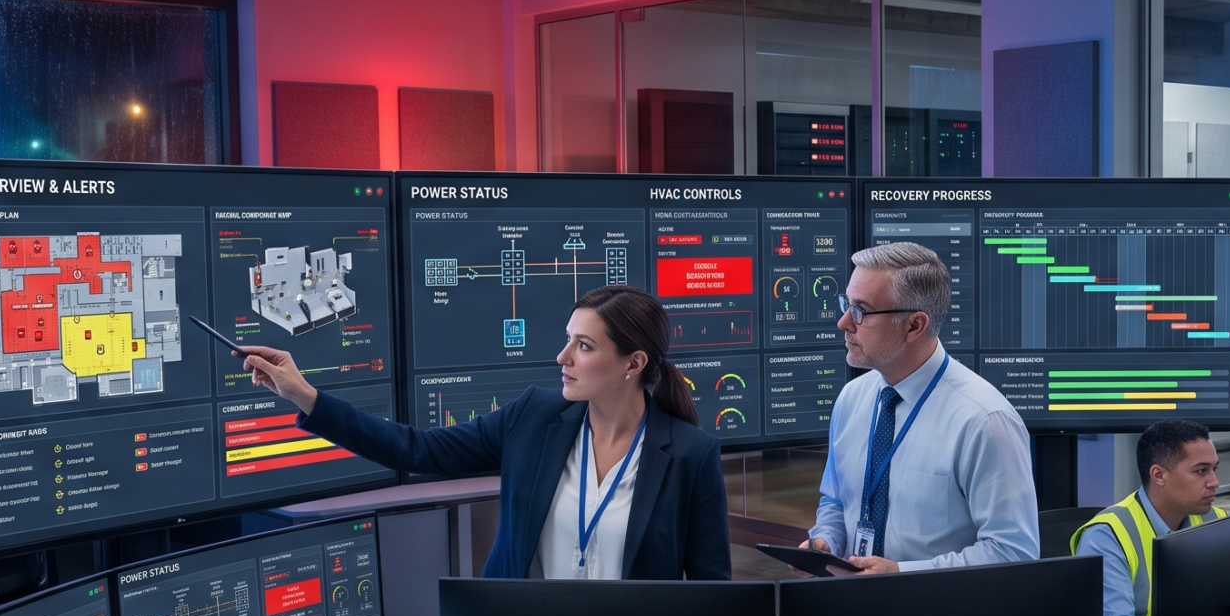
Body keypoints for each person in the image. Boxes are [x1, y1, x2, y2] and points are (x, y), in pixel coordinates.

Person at [242, 285, 730, 581]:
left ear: (633, 363)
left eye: (583, 346)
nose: (563, 358)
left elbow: (712, 593)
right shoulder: (533, 418)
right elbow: (418, 449)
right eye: (567, 340)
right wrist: (307, 397)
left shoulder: (689, 454)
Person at [802, 242, 1037, 573]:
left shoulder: (984, 421)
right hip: (853, 609)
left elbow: (1014, 553)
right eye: (846, 304)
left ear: (914, 325)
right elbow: (836, 501)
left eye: (860, 311)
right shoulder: (851, 399)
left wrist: (902, 574)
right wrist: (826, 540)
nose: (844, 322)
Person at [1071, 418, 1227, 616]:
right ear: (1159, 475)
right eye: (1201, 470)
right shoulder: (1107, 536)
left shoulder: (1216, 520)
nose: (1214, 482)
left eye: (1214, 469)